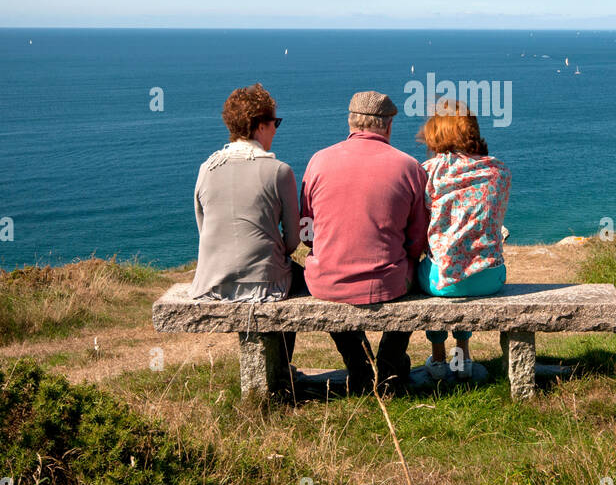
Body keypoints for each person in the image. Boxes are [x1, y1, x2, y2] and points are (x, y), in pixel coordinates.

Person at [300, 91, 429, 395]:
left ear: (351, 122)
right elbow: (416, 241)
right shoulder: (409, 167)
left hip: (327, 281)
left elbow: (307, 233)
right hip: (388, 282)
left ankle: (358, 364)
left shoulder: (318, 161)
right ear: (388, 126)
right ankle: (388, 364)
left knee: (330, 281)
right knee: (414, 270)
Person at [188, 84, 304, 398]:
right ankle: (283, 369)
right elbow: (293, 240)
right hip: (266, 285)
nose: (276, 131)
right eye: (275, 124)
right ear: (259, 125)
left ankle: (278, 371)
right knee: (306, 279)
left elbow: (204, 228)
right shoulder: (279, 171)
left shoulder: (206, 168)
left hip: (212, 282)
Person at [414, 99, 510, 380]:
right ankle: (464, 358)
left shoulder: (427, 172)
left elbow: (421, 229)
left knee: (435, 268)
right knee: (467, 264)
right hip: (490, 277)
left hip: (441, 282)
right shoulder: (499, 172)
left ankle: (439, 359)